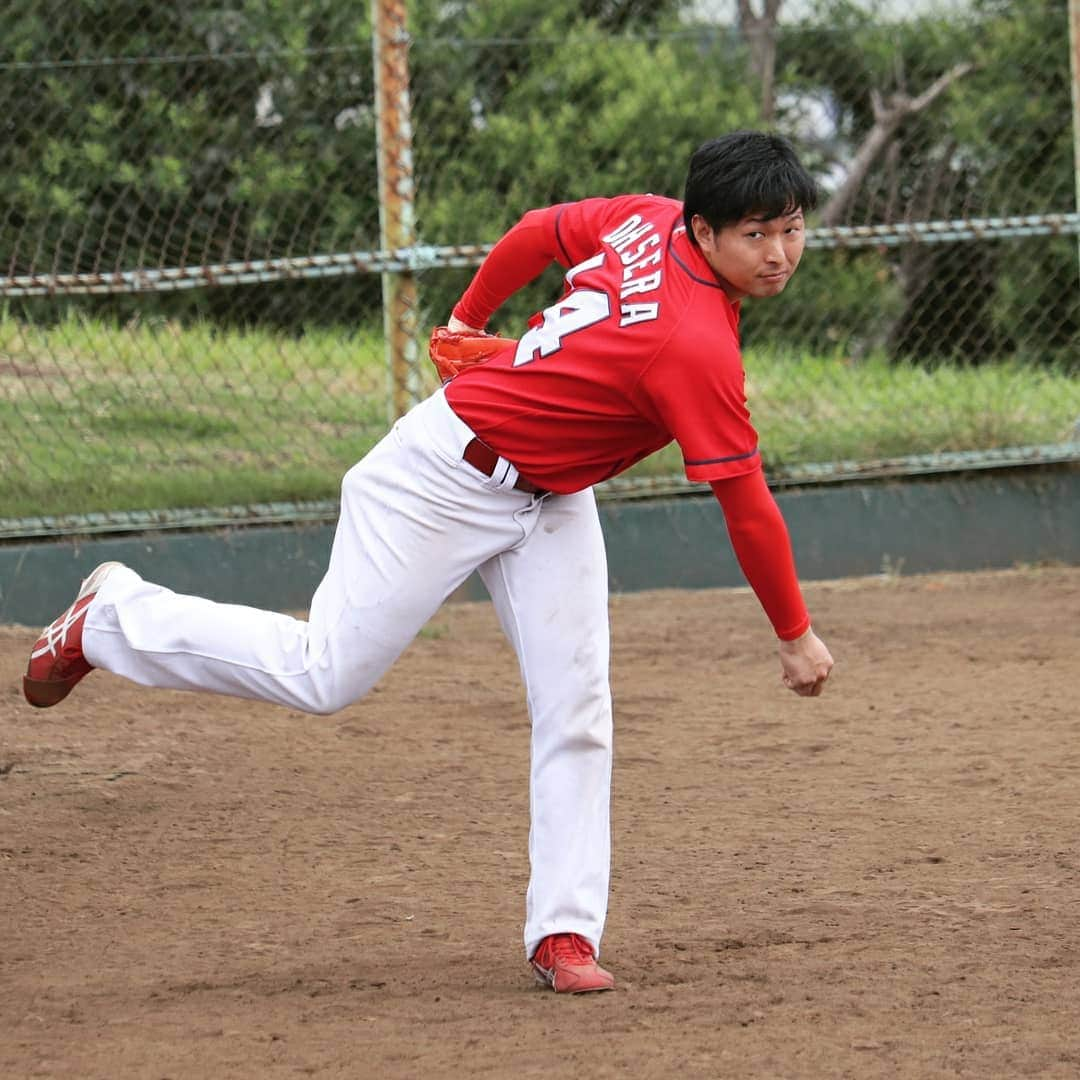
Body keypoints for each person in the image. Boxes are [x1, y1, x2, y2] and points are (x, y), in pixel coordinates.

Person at [23, 130, 834, 994]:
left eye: (790, 227)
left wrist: (468, 319)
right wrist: (795, 632)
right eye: (755, 233)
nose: (778, 252)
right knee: (323, 674)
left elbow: (539, 231)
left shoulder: (648, 218)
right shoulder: (694, 345)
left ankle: (563, 931)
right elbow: (745, 502)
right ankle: (110, 618)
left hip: (551, 494)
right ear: (702, 231)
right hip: (441, 479)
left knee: (578, 703)